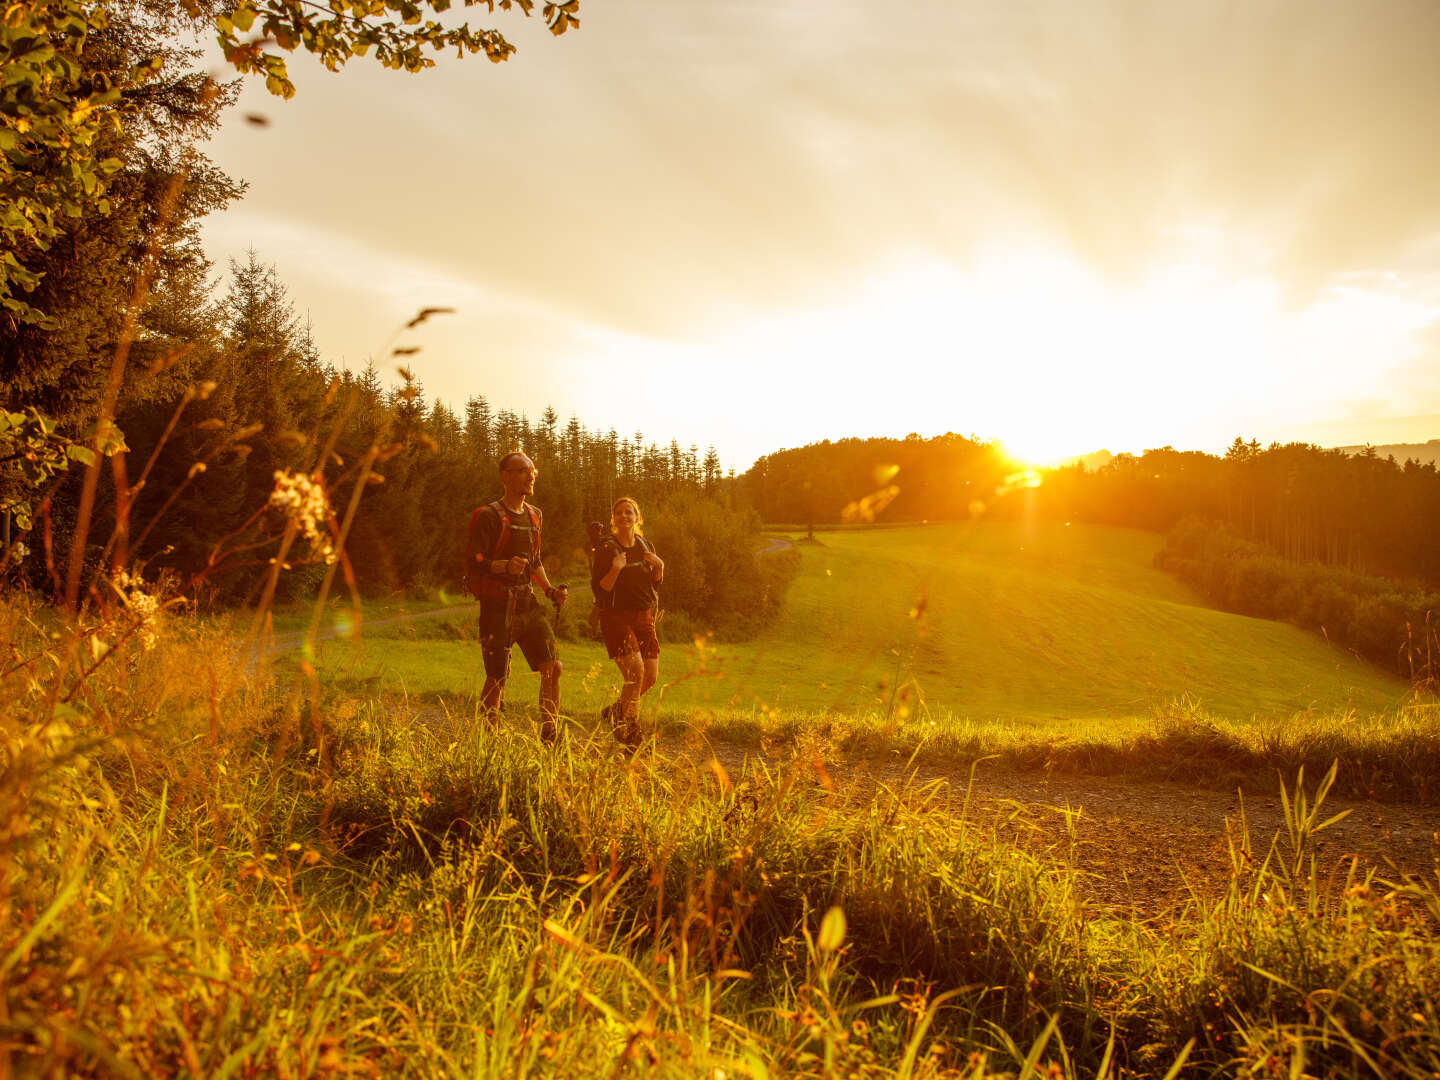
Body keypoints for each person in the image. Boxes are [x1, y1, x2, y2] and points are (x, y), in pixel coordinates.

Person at [466, 452, 569, 742]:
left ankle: (550, 735)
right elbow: (474, 560)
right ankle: (489, 740)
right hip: (496, 605)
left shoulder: (535, 515)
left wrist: (549, 590)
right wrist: (503, 566)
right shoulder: (487, 515)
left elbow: (535, 561)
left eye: (533, 470)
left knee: (553, 666)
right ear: (505, 476)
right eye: (523, 470)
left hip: (528, 603)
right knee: (498, 676)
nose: (530, 475)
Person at [590, 496, 664, 750]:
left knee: (650, 676)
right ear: (614, 519)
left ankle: (615, 711)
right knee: (635, 673)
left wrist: (660, 568)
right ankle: (629, 730)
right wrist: (615, 569)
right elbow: (600, 590)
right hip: (616, 616)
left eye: (628, 512)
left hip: (644, 616)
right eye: (619, 513)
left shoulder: (645, 545)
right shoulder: (606, 549)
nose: (624, 516)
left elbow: (652, 584)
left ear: (637, 517)